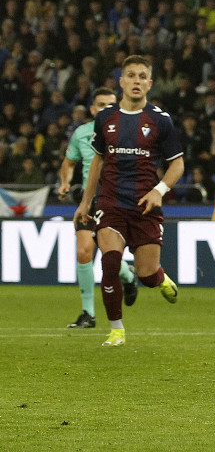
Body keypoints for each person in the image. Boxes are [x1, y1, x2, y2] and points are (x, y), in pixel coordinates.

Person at [74, 56, 184, 347]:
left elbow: (178, 165)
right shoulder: (106, 117)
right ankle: (117, 329)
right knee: (110, 262)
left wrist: (160, 189)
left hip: (145, 205)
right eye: (131, 75)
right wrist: (86, 202)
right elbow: (97, 160)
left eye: (142, 76)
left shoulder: (160, 120)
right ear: (122, 82)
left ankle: (158, 279)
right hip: (110, 202)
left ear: (150, 83)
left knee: (146, 274)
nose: (137, 81)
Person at [58, 87, 138, 328]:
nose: (105, 108)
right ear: (92, 109)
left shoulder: (127, 130)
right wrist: (64, 182)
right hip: (89, 199)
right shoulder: (81, 133)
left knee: (108, 254)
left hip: (115, 199)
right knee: (84, 252)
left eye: (109, 104)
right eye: (100, 104)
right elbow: (69, 162)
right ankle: (88, 314)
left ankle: (128, 274)